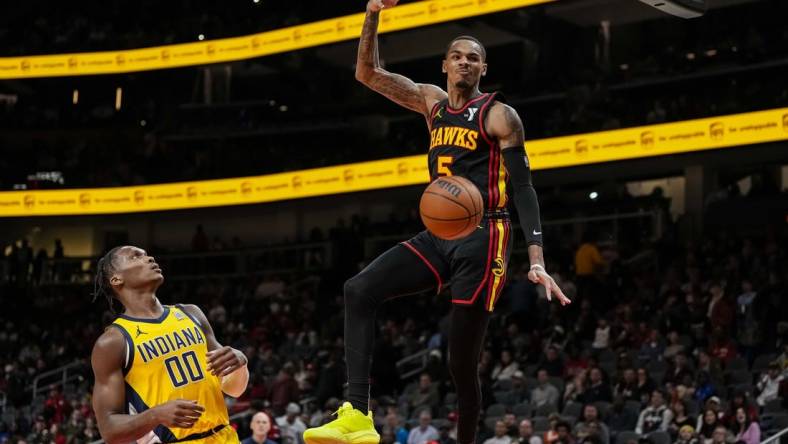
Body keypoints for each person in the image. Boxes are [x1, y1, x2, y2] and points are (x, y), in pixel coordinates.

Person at [304, 2, 571, 444]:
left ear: (483, 68)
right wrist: (372, 14)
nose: (464, 62)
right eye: (457, 55)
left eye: (473, 57)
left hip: (487, 234)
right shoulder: (431, 101)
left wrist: (537, 257)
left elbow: (523, 188)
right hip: (441, 231)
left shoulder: (500, 115)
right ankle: (357, 416)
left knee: (459, 363)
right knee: (358, 289)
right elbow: (367, 73)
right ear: (444, 65)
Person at [90, 246, 248, 443]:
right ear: (116, 279)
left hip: (225, 436)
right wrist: (155, 415)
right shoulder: (113, 342)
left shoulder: (191, 313)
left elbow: (234, 389)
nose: (149, 258)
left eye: (147, 254)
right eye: (135, 256)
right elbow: (109, 430)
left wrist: (240, 363)